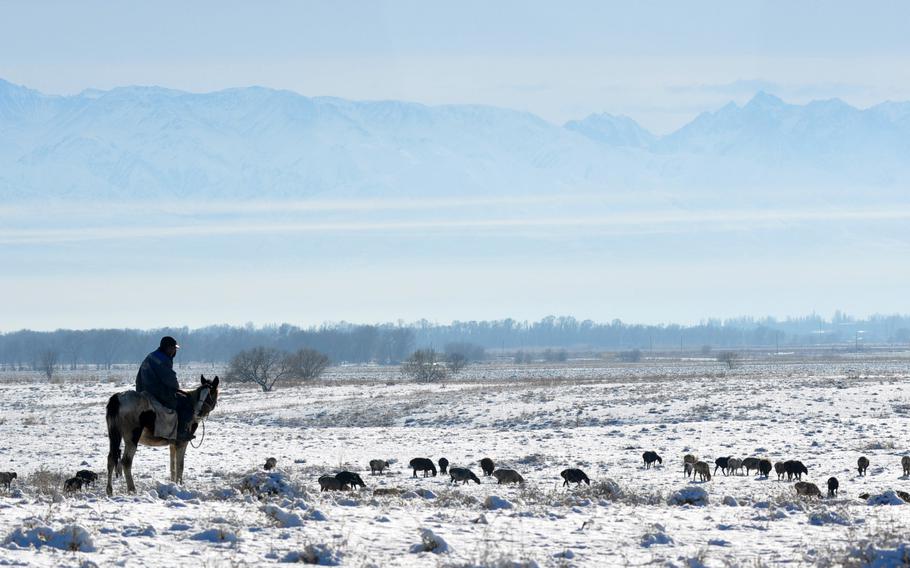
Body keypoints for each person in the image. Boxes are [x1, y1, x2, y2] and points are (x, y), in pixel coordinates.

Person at [135, 336, 195, 441]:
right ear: (166, 348)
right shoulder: (163, 360)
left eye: (175, 348)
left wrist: (139, 391)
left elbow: (139, 376)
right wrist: (177, 390)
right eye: (173, 348)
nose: (174, 350)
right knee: (185, 403)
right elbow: (170, 379)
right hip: (156, 391)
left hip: (143, 389)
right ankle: (180, 433)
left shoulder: (151, 355)